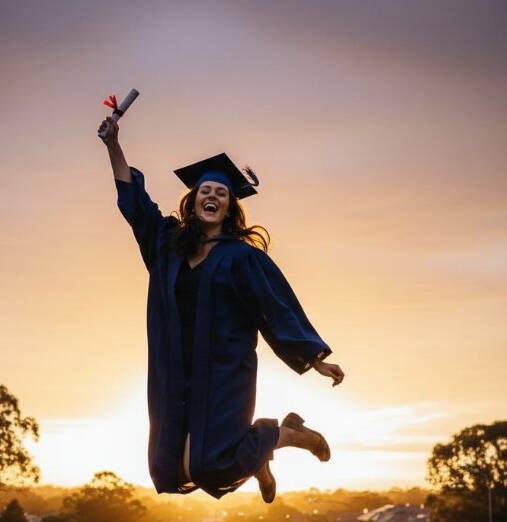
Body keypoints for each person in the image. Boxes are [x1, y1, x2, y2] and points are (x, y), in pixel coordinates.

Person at [98, 115, 345, 502]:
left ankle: (286, 435)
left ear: (229, 207)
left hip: (224, 369)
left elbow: (277, 306)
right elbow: (135, 204)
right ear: (193, 201)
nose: (211, 196)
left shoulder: (241, 258)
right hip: (174, 369)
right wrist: (113, 145)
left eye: (221, 193)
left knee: (210, 466)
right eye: (204, 191)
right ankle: (261, 457)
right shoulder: (167, 245)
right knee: (169, 470)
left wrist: (314, 358)